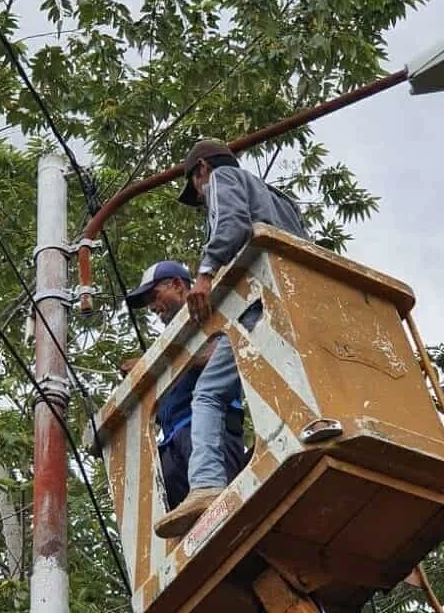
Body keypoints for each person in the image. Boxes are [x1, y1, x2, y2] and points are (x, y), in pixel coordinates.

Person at [153, 139, 309, 538]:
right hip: (300, 302)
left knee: (208, 393)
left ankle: (205, 484)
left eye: (197, 186)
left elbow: (231, 223)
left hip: (259, 307)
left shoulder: (223, 178)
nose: (203, 195)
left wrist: (205, 274)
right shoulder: (281, 199)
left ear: (201, 170)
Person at [124, 260, 246, 511]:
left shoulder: (211, 313)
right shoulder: (169, 343)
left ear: (178, 285)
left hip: (211, 435)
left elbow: (228, 351)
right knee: (184, 535)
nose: (152, 307)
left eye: (154, 296)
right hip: (171, 446)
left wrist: (153, 365)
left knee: (223, 515)